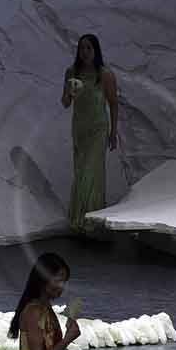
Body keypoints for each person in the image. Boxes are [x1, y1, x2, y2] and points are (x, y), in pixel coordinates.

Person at [61, 34, 119, 232]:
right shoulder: (71, 72)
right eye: (82, 48)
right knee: (80, 173)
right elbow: (65, 103)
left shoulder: (105, 74)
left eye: (88, 48)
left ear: (96, 51)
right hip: (80, 129)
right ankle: (80, 221)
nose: (84, 52)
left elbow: (113, 103)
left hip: (98, 129)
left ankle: (90, 221)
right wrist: (70, 91)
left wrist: (113, 131)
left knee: (91, 174)